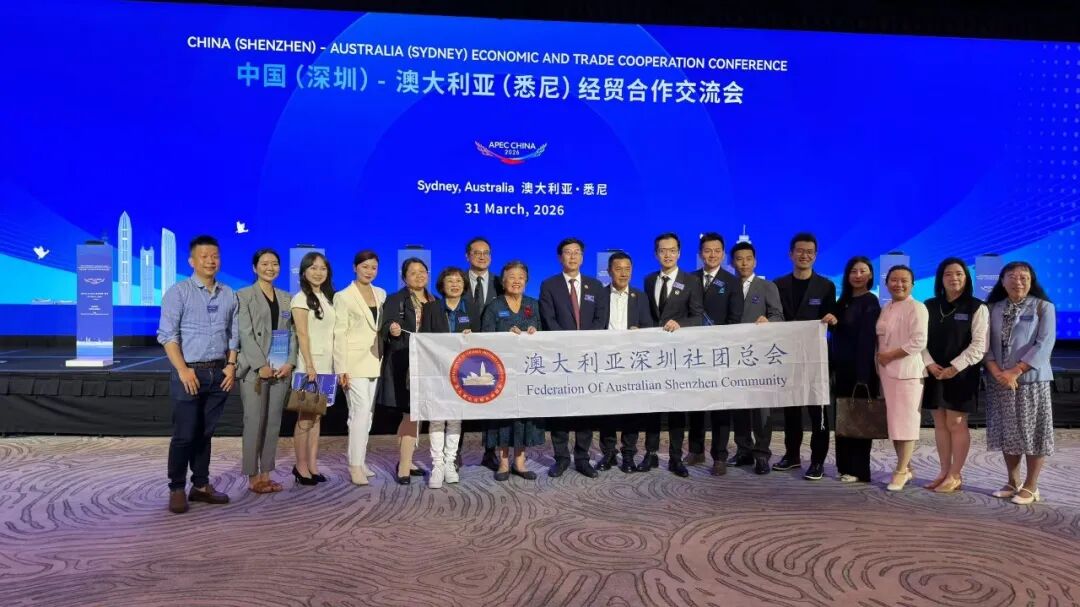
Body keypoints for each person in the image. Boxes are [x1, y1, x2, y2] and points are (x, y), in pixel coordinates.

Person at [157, 235, 238, 514]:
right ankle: (177, 487)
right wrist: (183, 370)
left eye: (215, 256)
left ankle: (201, 486)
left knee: (205, 433)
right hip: (188, 373)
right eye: (204, 256)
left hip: (219, 373)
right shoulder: (178, 292)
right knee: (184, 434)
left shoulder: (228, 293)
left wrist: (231, 365)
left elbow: (234, 334)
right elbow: (167, 336)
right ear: (192, 261)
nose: (210, 261)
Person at [984, 261, 1056, 505]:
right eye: (1012, 276)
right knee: (1009, 432)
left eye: (1024, 277)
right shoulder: (992, 308)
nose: (1018, 281)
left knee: (1033, 433)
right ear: (1002, 281)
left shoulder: (1043, 307)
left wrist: (1015, 371)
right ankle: (1012, 481)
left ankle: (1032, 486)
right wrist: (997, 372)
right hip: (1000, 381)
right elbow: (985, 344)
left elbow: (1044, 344)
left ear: (1031, 281)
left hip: (1030, 381)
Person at [539, 237, 609, 478]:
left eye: (577, 252)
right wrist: (567, 344)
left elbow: (601, 319)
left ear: (582, 257)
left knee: (584, 408)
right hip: (561, 356)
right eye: (568, 252)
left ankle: (582, 458)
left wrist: (585, 344)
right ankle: (560, 458)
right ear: (560, 257)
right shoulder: (549, 285)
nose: (572, 256)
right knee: (560, 407)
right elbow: (548, 319)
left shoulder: (595, 286)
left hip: (588, 356)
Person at [772, 232, 837, 480]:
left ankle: (817, 461)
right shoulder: (778, 285)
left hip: (816, 359)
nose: (804, 256)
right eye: (799, 251)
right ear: (791, 254)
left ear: (815, 255)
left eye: (809, 252)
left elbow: (833, 319)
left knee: (817, 412)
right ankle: (792, 456)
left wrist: (833, 319)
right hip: (787, 358)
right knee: (791, 411)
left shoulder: (826, 286)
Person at [640, 232, 705, 477]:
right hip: (653, 355)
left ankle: (676, 457)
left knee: (677, 408)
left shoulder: (691, 281)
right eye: (662, 250)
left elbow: (697, 316)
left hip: (679, 355)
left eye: (672, 250)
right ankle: (650, 454)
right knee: (652, 407)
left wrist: (681, 324)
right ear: (656, 253)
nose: (667, 255)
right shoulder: (648, 280)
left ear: (679, 253)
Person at [921, 258, 988, 493]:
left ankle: (955, 474)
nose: (954, 278)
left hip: (962, 373)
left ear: (966, 277)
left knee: (956, 423)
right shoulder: (929, 305)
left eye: (959, 274)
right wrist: (930, 364)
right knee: (940, 423)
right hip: (935, 372)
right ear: (940, 278)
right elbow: (920, 340)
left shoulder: (977, 307)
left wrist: (954, 367)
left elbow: (979, 345)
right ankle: (943, 471)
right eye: (948, 274)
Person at [236, 249, 296, 493]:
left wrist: (290, 362)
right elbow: (245, 333)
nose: (270, 268)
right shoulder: (243, 295)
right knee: (254, 422)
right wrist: (260, 365)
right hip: (255, 371)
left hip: (280, 369)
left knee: (273, 423)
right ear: (254, 267)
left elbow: (292, 334)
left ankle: (266, 473)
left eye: (274, 264)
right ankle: (252, 477)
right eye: (264, 263)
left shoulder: (286, 298)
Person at [481, 261, 544, 481]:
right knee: (503, 417)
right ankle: (503, 463)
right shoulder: (494, 306)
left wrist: (535, 332)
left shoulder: (533, 304)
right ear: (503, 281)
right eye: (512, 277)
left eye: (521, 277)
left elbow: (544, 334)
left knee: (524, 416)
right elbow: (485, 337)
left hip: (527, 372)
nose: (516, 281)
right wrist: (506, 335)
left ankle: (520, 461)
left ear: (526, 281)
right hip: (501, 372)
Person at [420, 267, 482, 488]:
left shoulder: (472, 308)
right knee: (437, 418)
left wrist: (472, 337)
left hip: (463, 372)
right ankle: (437, 465)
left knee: (455, 418)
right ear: (442, 285)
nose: (455, 285)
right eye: (450, 281)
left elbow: (481, 340)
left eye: (458, 281)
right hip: (437, 371)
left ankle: (450, 463)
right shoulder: (431, 308)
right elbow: (424, 339)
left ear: (464, 285)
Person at [689, 233, 744, 475]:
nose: (712, 255)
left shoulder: (732, 282)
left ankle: (719, 456)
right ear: (700, 254)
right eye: (707, 250)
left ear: (723, 254)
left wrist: (721, 344)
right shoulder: (689, 279)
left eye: (717, 250)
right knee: (695, 406)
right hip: (693, 353)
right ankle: (696, 450)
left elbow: (735, 319)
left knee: (720, 407)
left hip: (720, 353)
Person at [728, 241, 783, 475]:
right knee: (739, 405)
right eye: (739, 259)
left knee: (761, 408)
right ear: (732, 262)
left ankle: (762, 454)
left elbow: (779, 316)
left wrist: (769, 321)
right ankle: (744, 450)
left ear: (755, 261)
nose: (744, 263)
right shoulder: (727, 286)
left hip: (759, 356)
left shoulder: (766, 286)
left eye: (748, 258)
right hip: (733, 355)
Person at [596, 252, 653, 473]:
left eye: (627, 269)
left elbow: (649, 326)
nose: (623, 273)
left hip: (632, 363)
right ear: (609, 271)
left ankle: (628, 454)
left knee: (632, 411)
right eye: (618, 269)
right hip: (606, 361)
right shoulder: (599, 295)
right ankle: (609, 453)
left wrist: (641, 332)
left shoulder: (640, 296)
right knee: (606, 411)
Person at [378, 257, 433, 485]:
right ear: (404, 277)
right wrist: (391, 328)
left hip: (428, 364)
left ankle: (406, 460)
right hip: (404, 363)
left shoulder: (434, 301)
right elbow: (385, 326)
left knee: (411, 414)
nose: (419, 276)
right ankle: (404, 466)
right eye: (413, 272)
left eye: (422, 271)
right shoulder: (395, 299)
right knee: (411, 413)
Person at [333, 250, 386, 486]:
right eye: (365, 267)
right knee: (359, 413)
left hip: (375, 360)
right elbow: (339, 333)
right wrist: (341, 368)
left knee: (368, 415)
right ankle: (354, 465)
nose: (369, 271)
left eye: (373, 267)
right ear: (355, 268)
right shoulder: (343, 296)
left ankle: (361, 461)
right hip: (352, 364)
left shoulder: (381, 293)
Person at [876, 265, 929, 492]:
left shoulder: (917, 307)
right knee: (895, 424)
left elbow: (919, 342)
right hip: (887, 373)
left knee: (906, 423)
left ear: (912, 284)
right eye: (894, 280)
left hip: (907, 373)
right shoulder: (886, 307)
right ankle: (906, 467)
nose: (899, 284)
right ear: (886, 283)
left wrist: (889, 356)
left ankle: (900, 471)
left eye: (904, 280)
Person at [830, 256, 881, 484]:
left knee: (860, 420)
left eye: (863, 271)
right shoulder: (843, 301)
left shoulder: (870, 301)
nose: (858, 275)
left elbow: (867, 340)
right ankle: (844, 466)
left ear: (870, 275)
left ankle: (859, 469)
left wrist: (862, 374)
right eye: (853, 271)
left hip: (862, 371)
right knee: (843, 419)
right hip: (842, 370)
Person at [290, 252, 336, 486]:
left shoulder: (327, 298)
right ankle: (300, 466)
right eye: (313, 268)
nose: (318, 272)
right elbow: (302, 334)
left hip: (327, 365)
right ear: (304, 272)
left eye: (323, 268)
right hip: (310, 366)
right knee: (305, 417)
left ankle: (312, 465)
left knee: (317, 417)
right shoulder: (300, 299)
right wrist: (309, 365)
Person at [463, 236, 502, 471]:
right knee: (458, 401)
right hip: (462, 349)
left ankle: (490, 452)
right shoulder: (457, 280)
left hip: (493, 351)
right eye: (477, 252)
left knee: (493, 403)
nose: (482, 256)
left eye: (486, 252)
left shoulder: (500, 282)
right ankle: (454, 454)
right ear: (467, 256)